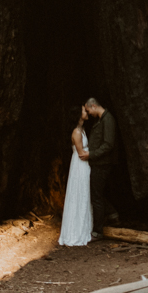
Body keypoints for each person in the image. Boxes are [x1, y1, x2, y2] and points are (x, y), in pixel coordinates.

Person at [80, 97, 117, 239]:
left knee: (96, 197)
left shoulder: (107, 120)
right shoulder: (101, 119)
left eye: (88, 110)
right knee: (97, 192)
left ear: (93, 106)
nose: (88, 114)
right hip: (98, 162)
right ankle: (112, 213)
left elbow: (108, 144)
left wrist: (91, 154)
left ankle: (98, 231)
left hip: (102, 163)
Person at [58, 104, 93, 246]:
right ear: (79, 114)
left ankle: (84, 228)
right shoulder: (76, 133)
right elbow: (81, 154)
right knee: (79, 194)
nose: (87, 111)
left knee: (84, 194)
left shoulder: (82, 130)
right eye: (84, 110)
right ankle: (74, 232)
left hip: (84, 165)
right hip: (80, 165)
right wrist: (97, 152)